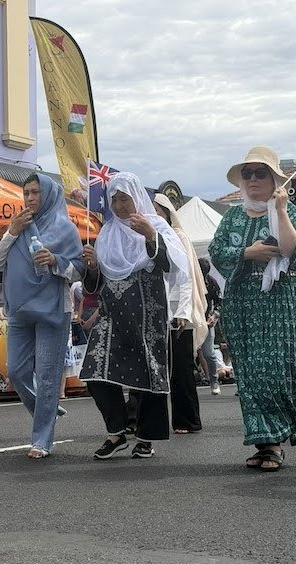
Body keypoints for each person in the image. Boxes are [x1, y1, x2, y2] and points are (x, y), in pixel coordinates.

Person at [208, 146, 296, 472]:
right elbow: (216, 252)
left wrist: (279, 210)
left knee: (273, 371)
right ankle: (265, 442)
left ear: (273, 180)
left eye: (260, 173)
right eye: (247, 173)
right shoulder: (233, 216)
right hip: (242, 305)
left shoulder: (288, 210)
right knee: (250, 375)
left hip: (280, 304)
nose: (253, 179)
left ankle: (276, 439)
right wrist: (247, 252)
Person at [80, 172, 189, 460]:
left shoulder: (156, 225)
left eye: (124, 199)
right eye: (114, 200)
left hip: (147, 314)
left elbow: (172, 265)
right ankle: (117, 431)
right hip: (111, 316)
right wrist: (92, 267)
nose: (119, 206)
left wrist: (150, 236)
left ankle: (145, 438)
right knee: (95, 372)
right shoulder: (106, 233)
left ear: (137, 197)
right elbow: (95, 285)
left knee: (149, 375)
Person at [0, 173, 84, 459]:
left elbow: (79, 271)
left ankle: (42, 439)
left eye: (35, 192)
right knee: (16, 371)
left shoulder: (65, 229)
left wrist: (56, 261)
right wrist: (11, 231)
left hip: (53, 310)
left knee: (47, 375)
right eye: (26, 193)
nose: (29, 198)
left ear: (48, 195)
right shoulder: (19, 225)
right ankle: (48, 408)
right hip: (20, 308)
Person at [142, 193, 207, 434]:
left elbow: (185, 276)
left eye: (158, 211)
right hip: (157, 311)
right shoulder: (150, 237)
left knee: (181, 369)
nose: (154, 215)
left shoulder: (177, 236)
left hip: (178, 313)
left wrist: (182, 311)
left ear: (167, 213)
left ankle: (187, 420)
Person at [197, 257, 223, 395]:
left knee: (208, 353)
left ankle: (214, 380)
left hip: (206, 322)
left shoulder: (212, 283)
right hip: (191, 321)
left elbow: (219, 302)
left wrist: (214, 315)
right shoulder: (189, 281)